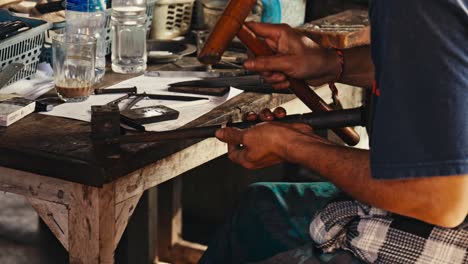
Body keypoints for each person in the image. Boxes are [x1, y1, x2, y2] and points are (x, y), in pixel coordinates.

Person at [198, 0, 468, 263]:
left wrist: (294, 146)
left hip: (447, 221)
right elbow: (428, 58)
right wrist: (331, 63)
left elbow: (436, 197)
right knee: (260, 206)